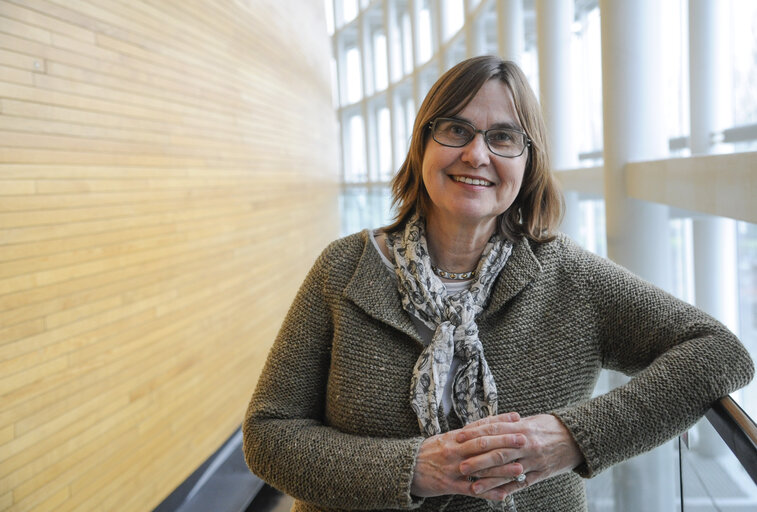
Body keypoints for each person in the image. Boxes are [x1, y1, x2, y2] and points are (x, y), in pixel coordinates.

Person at [242, 56, 754, 511]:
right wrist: (414, 468)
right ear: (423, 144)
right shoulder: (344, 268)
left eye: (503, 137)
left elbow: (720, 352)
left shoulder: (569, 276)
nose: (476, 154)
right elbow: (268, 435)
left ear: (527, 163)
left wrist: (573, 437)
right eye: (455, 130)